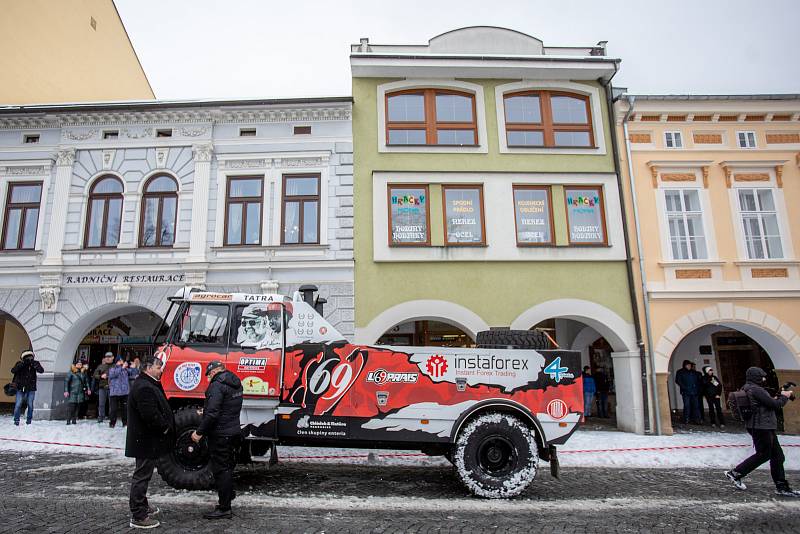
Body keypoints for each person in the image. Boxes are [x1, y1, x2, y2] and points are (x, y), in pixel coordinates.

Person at [725, 367, 798, 497]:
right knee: (764, 454)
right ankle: (736, 473)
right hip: (761, 426)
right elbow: (775, 405)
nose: (764, 379)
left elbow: (766, 402)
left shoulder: (748, 387)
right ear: (756, 377)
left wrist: (780, 394)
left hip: (762, 426)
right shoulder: (756, 389)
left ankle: (782, 486)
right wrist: (785, 397)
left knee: (777, 456)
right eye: (762, 376)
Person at [126, 356, 175, 529]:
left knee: (143, 474)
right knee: (141, 476)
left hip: (146, 439)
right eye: (158, 366)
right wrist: (165, 427)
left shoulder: (148, 383)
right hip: (145, 440)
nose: (161, 369)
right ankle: (138, 515)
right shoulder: (144, 386)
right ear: (148, 368)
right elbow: (150, 414)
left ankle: (143, 506)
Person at [191, 361, 243, 519]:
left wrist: (199, 433)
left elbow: (213, 414)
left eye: (208, 376)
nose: (208, 379)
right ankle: (227, 496)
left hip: (220, 434)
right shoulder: (235, 383)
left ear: (212, 372)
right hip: (233, 430)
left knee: (221, 470)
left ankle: (224, 508)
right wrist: (206, 411)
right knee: (227, 467)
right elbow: (227, 407)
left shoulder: (216, 385)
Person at [11, 350, 44, 425]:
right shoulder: (20, 363)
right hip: (20, 387)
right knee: (18, 404)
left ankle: (29, 421)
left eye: (31, 357)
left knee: (30, 405)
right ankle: (16, 420)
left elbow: (41, 370)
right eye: (28, 357)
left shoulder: (35, 363)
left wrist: (34, 365)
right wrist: (22, 364)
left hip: (31, 388)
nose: (29, 359)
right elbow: (13, 371)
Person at [675, 360, 701, 424]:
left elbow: (698, 381)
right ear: (685, 365)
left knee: (696, 406)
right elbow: (678, 381)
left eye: (690, 365)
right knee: (687, 406)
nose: (689, 366)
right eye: (688, 365)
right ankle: (686, 419)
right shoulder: (680, 372)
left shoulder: (694, 372)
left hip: (694, 392)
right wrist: (685, 387)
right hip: (686, 392)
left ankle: (697, 419)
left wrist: (697, 388)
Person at [108, 357, 130, 428]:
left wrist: (131, 368)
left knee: (125, 408)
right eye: (120, 361)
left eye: (122, 360)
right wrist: (122, 368)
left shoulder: (125, 369)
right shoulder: (112, 368)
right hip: (115, 392)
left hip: (124, 392)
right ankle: (112, 423)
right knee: (114, 409)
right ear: (117, 361)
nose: (121, 362)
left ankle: (125, 422)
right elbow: (113, 375)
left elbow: (131, 373)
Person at [93, 352, 114, 423]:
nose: (108, 358)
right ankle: (100, 417)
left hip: (112, 388)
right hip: (102, 387)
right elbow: (95, 375)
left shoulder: (115, 366)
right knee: (101, 403)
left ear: (112, 357)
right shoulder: (100, 366)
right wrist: (101, 376)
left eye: (109, 357)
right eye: (106, 357)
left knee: (112, 404)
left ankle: (112, 417)